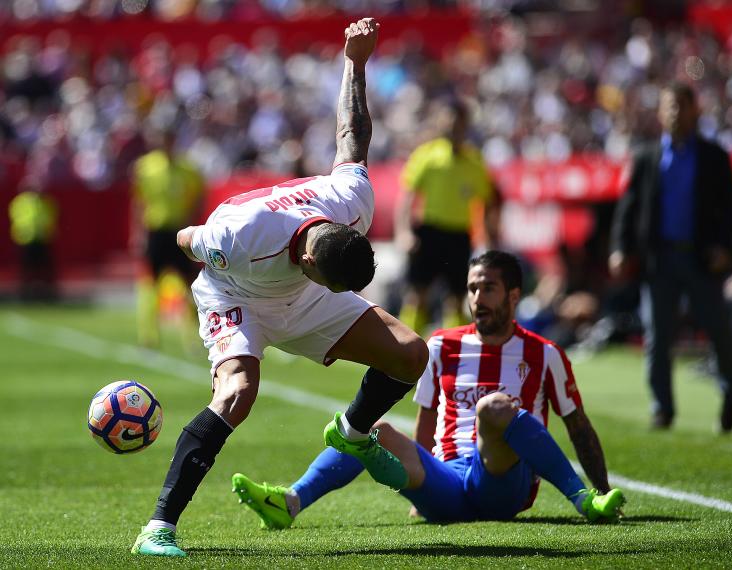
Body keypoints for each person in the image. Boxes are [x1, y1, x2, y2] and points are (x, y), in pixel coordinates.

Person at [132, 18, 429, 557]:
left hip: (306, 297)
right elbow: (183, 238)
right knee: (237, 393)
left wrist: (354, 62)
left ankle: (353, 432)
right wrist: (199, 249)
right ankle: (159, 527)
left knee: (411, 354)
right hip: (237, 294)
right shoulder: (237, 236)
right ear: (311, 260)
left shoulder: (349, 204)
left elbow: (352, 135)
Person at [231, 251, 626, 528]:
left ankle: (584, 500)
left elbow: (577, 425)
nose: (476, 298)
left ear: (514, 296)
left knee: (493, 409)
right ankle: (290, 502)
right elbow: (427, 417)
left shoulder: (545, 353)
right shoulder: (441, 345)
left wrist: (603, 487)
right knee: (372, 429)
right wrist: (423, 473)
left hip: (503, 485)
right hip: (448, 485)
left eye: (488, 288)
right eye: (472, 288)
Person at [609, 81, 732, 433]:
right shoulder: (646, 156)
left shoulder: (714, 156)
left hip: (701, 260)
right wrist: (620, 248)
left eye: (681, 106)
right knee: (658, 336)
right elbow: (629, 206)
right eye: (669, 106)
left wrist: (725, 250)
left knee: (719, 331)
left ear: (694, 110)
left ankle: (731, 391)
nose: (674, 113)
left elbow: (730, 212)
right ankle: (662, 407)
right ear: (660, 112)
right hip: (660, 260)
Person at [395, 98, 495, 336]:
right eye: (448, 124)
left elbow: (487, 200)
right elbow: (408, 196)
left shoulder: (474, 162)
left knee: (457, 298)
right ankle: (403, 344)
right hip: (429, 231)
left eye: (457, 124)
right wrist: (404, 232)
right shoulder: (428, 156)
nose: (452, 129)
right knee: (417, 295)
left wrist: (487, 236)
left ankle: (453, 349)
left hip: (459, 235)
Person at [131, 125, 205, 348]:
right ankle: (149, 335)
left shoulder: (188, 168)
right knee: (150, 284)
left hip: (180, 232)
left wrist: (192, 221)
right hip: (156, 231)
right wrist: (138, 233)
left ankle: (194, 336)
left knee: (191, 285)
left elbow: (199, 196)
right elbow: (139, 202)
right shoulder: (146, 167)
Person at [8, 178, 58, 301]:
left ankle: (45, 293)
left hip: (42, 239)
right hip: (26, 240)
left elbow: (51, 217)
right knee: (27, 269)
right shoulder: (20, 202)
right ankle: (26, 293)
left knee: (43, 268)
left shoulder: (45, 202)